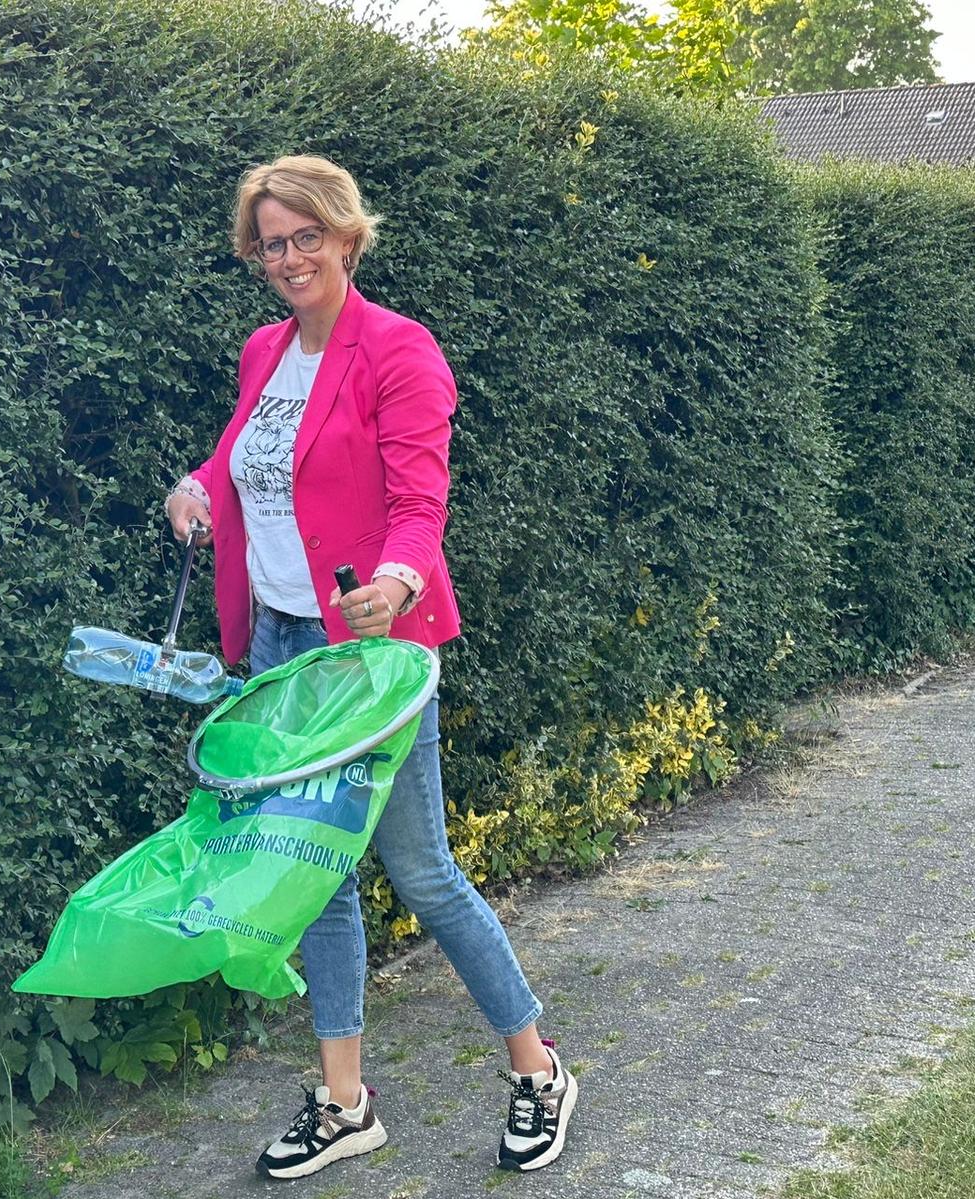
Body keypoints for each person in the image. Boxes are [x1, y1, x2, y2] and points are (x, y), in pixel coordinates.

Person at [164, 155, 578, 1180]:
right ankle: (345, 1100)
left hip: (370, 653)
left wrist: (394, 582)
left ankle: (538, 1067)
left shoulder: (400, 350)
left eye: (307, 235)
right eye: (272, 241)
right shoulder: (264, 351)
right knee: (319, 878)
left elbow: (419, 501)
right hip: (278, 647)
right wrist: (197, 484)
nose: (290, 256)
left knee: (422, 868)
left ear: (347, 236)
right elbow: (247, 456)